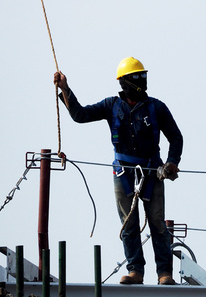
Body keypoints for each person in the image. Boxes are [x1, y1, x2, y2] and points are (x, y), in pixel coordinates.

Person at [54, 57, 183, 285]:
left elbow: (176, 137)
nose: (141, 81)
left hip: (152, 172)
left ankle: (164, 274)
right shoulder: (112, 106)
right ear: (124, 82)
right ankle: (136, 271)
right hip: (124, 173)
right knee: (129, 223)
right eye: (136, 78)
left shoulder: (156, 108)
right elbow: (80, 115)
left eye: (142, 76)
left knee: (157, 223)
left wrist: (172, 162)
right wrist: (65, 89)